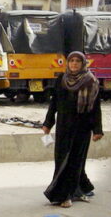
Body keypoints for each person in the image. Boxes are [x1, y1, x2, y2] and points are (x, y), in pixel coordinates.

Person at [41, 51, 104, 208]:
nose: (74, 64)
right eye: (71, 61)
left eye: (78, 61)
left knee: (75, 161)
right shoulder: (61, 80)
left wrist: (97, 130)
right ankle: (80, 188)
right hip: (63, 126)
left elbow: (95, 108)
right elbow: (54, 102)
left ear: (83, 64)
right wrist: (48, 123)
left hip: (82, 127)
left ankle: (65, 195)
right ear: (68, 63)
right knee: (62, 160)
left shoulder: (91, 81)